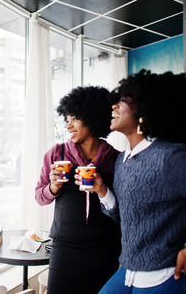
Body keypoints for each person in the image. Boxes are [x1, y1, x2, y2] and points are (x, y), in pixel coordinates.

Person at [75, 70, 186, 294]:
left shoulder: (170, 158)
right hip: (130, 270)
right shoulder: (123, 159)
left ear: (144, 109)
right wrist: (102, 190)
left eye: (123, 100)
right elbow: (126, 217)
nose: (113, 106)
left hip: (167, 273)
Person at [35, 86, 121, 294]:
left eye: (75, 119)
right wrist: (53, 187)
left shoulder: (116, 159)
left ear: (92, 118)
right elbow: (39, 196)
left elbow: (123, 209)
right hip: (65, 248)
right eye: (67, 120)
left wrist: (102, 190)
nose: (69, 126)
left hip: (104, 248)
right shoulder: (56, 153)